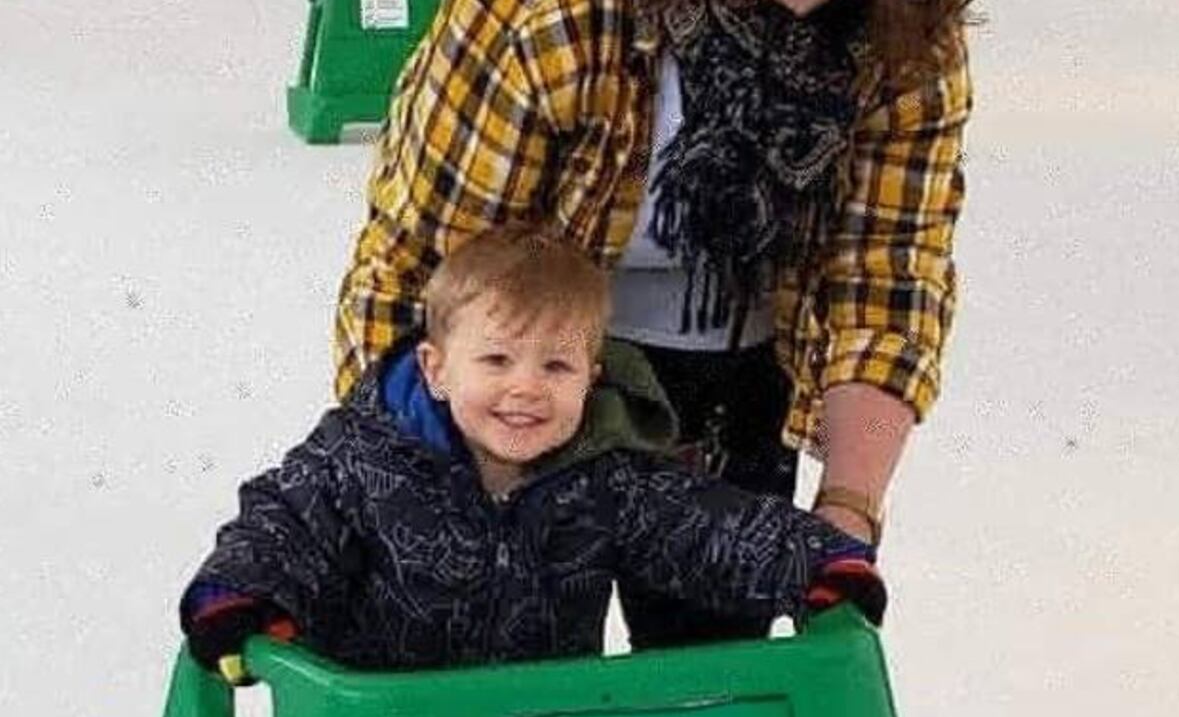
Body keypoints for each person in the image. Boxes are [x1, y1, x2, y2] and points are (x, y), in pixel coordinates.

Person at [330, 0, 985, 650]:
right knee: (506, 674)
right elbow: (425, 263)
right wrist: (411, 501)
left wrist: (848, 510)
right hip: (524, 367)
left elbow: (887, 276)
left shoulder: (903, 25)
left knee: (709, 691)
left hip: (737, 381)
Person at [181, 227, 884, 680]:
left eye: (556, 367)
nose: (525, 389)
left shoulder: (604, 478)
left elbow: (706, 524)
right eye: (496, 359)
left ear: (592, 376)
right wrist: (242, 595)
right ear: (435, 368)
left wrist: (817, 559)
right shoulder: (364, 460)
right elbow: (285, 522)